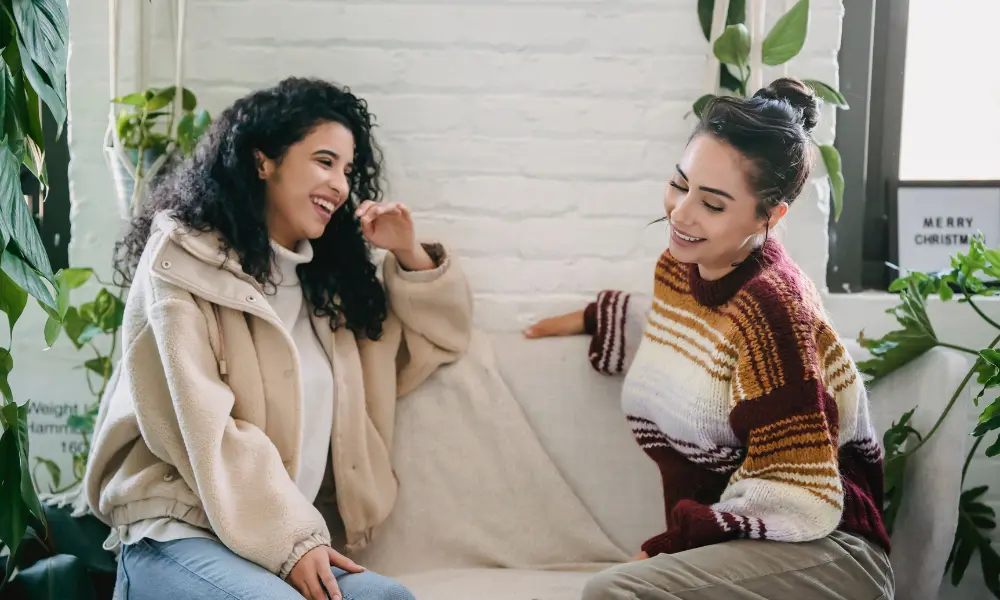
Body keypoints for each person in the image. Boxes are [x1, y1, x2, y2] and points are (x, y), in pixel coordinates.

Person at [84, 77, 472, 600]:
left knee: (390, 599)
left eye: (347, 170)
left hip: (278, 542)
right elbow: (204, 429)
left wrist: (408, 255)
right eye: (324, 161)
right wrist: (291, 541)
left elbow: (437, 342)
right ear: (263, 160)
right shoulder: (183, 262)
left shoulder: (332, 295)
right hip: (179, 528)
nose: (340, 184)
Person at [524, 78, 894, 599]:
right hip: (753, 542)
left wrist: (668, 546)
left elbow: (793, 488)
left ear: (770, 215)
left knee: (613, 593)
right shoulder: (683, 270)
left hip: (826, 547)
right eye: (680, 184)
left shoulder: (774, 309)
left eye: (713, 204)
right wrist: (594, 317)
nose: (681, 212)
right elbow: (695, 338)